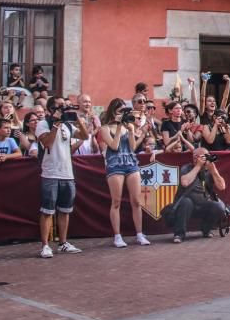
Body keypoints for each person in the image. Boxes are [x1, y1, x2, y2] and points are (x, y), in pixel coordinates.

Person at [35, 97, 88, 258]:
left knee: (65, 210)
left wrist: (77, 119)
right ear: (52, 109)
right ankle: (45, 245)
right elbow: (48, 143)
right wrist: (56, 124)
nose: (64, 109)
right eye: (61, 107)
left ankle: (63, 242)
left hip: (67, 173)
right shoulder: (43, 124)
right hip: (50, 172)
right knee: (47, 210)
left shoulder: (68, 125)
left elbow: (85, 136)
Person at [99, 99, 151, 248]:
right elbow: (114, 146)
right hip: (115, 165)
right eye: (120, 111)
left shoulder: (129, 126)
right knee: (116, 202)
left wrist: (130, 130)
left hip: (131, 163)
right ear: (113, 111)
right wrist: (120, 126)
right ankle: (117, 236)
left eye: (124, 111)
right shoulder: (105, 128)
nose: (123, 114)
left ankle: (139, 234)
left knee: (136, 201)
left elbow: (133, 147)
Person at [168, 148, 227, 243]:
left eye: (207, 156)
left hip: (203, 204)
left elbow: (222, 187)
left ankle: (206, 230)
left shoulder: (209, 171)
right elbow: (185, 182)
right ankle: (179, 234)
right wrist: (198, 166)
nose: (206, 159)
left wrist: (214, 170)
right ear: (195, 158)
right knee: (186, 202)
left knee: (219, 206)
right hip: (186, 205)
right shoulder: (187, 168)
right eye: (203, 157)